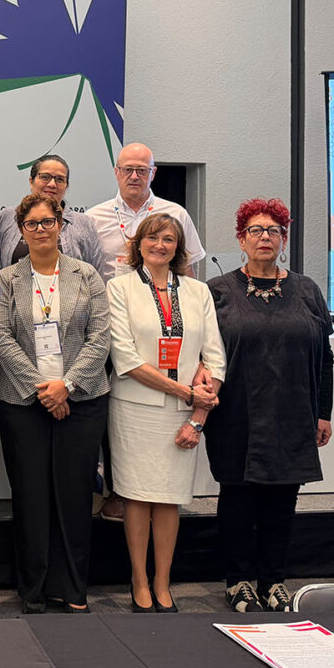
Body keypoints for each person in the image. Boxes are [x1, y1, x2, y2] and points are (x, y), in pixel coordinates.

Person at [204, 198, 334, 613]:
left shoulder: (307, 289)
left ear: (284, 239)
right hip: (236, 412)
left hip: (293, 412)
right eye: (256, 231)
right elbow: (204, 354)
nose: (265, 237)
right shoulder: (218, 291)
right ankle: (238, 580)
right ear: (241, 239)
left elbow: (324, 357)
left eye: (273, 230)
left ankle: (274, 580)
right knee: (238, 500)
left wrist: (324, 411)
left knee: (282, 502)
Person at [0, 194, 110, 613]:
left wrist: (68, 386)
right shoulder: (6, 280)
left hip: (83, 401)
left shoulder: (88, 275)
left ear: (61, 225)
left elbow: (101, 337)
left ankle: (73, 588)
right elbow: (1, 338)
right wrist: (44, 388)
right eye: (32, 224)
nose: (41, 229)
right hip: (24, 403)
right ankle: (34, 589)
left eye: (48, 222)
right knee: (31, 496)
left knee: (75, 495)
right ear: (21, 230)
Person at [106, 214, 226, 613]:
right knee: (138, 497)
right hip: (135, 407)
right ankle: (139, 581)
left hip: (185, 413)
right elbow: (124, 358)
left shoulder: (197, 291)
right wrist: (186, 391)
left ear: (179, 248)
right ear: (139, 244)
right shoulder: (118, 288)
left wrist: (197, 415)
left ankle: (163, 582)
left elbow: (215, 358)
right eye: (153, 238)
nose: (160, 245)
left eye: (169, 239)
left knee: (170, 499)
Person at [84, 143, 206, 522]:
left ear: (153, 173)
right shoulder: (93, 218)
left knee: (163, 410)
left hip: (164, 326)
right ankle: (119, 490)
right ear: (116, 172)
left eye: (142, 169)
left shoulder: (176, 214)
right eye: (127, 169)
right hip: (110, 326)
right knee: (113, 411)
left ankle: (162, 489)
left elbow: (190, 273)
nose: (134, 175)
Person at [0, 154, 106, 275]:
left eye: (60, 179)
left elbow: (94, 274)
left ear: (66, 186)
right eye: (45, 177)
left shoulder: (84, 223)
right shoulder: (8, 217)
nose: (52, 184)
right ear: (31, 181)